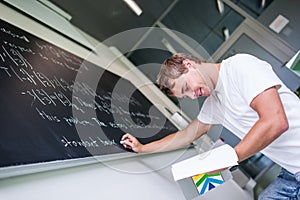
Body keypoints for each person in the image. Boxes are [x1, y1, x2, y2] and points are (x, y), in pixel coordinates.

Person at [121, 53, 300, 199]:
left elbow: (275, 121)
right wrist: (143, 148)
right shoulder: (213, 104)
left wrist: (229, 159)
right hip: (292, 171)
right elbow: (186, 135)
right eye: (185, 96)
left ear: (188, 65)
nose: (193, 96)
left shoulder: (240, 66)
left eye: (186, 88)